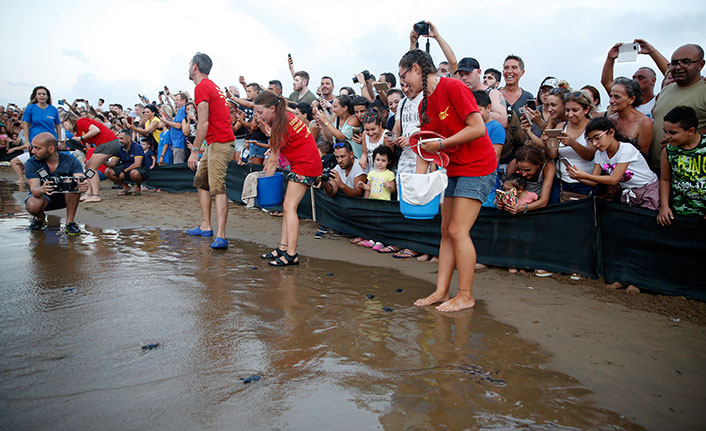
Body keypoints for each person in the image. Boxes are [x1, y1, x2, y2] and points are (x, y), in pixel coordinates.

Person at [399, 49, 497, 312]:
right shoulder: (423, 104)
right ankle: (441, 291)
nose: (402, 83)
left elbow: (477, 128)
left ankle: (465, 295)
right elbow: (423, 146)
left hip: (478, 165)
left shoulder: (453, 87)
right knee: (445, 231)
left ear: (417, 69)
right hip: (453, 168)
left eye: (404, 76)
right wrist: (419, 184)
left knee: (457, 231)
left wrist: (441, 143)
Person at [253, 91, 323, 266]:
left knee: (289, 206)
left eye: (260, 112)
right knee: (287, 206)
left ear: (271, 108)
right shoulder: (285, 116)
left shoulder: (280, 125)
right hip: (307, 162)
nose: (257, 116)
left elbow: (273, 160)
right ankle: (283, 248)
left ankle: (291, 254)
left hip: (305, 165)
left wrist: (266, 184)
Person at [185, 52, 236, 249]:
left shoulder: (202, 87)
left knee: (218, 187)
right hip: (215, 143)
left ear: (195, 67)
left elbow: (203, 123)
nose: (188, 67)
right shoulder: (211, 85)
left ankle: (221, 236)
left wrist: (194, 150)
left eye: (189, 64)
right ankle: (206, 226)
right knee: (201, 181)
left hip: (220, 143)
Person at [567, 117, 659, 210]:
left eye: (597, 138)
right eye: (591, 140)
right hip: (629, 193)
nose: (594, 143)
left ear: (611, 132)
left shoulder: (626, 149)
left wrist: (585, 175)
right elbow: (593, 181)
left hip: (647, 190)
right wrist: (578, 176)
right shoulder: (599, 154)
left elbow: (614, 179)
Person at [650, 44, 706, 171]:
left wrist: (684, 139)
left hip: (690, 174)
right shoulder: (666, 90)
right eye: (674, 63)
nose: (679, 67)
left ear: (701, 65)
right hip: (657, 170)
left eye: (686, 62)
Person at [24, 133, 88, 234]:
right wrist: (42, 189)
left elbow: (79, 176)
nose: (33, 151)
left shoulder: (70, 160)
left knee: (73, 183)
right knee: (33, 205)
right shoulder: (32, 163)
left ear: (51, 149)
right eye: (33, 147)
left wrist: (82, 183)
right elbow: (35, 190)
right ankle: (40, 218)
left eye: (37, 148)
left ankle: (70, 222)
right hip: (44, 197)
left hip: (66, 197)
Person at [657, 106, 706, 225]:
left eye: (672, 133)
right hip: (680, 213)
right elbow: (665, 179)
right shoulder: (668, 150)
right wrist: (664, 207)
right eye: (665, 131)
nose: (667, 137)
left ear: (690, 131)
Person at [546, 92, 597, 202]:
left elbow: (590, 155)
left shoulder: (593, 127)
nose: (570, 114)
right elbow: (553, 154)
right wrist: (547, 143)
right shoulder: (561, 126)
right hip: (561, 182)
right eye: (567, 110)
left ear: (586, 109)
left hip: (584, 182)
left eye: (575, 110)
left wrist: (572, 143)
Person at [600, 39, 669, 118]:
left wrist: (652, 51)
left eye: (641, 78)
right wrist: (610, 58)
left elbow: (671, 75)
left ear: (653, 81)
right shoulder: (626, 101)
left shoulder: (659, 101)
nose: (636, 80)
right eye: (634, 77)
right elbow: (607, 82)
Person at [61, 113, 121, 203]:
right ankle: (89, 193)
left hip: (108, 142)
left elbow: (95, 130)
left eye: (63, 123)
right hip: (106, 143)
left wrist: (81, 138)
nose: (63, 127)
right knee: (88, 167)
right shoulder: (78, 131)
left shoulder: (80, 122)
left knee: (91, 168)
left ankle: (96, 195)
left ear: (68, 120)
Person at [11, 86, 62, 183]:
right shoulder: (31, 108)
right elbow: (26, 124)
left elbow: (58, 125)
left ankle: (51, 181)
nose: (42, 96)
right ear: (35, 96)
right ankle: (39, 182)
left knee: (50, 161)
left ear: (47, 96)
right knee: (37, 162)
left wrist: (60, 140)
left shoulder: (53, 109)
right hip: (35, 141)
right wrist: (26, 141)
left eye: (44, 94)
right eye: (39, 94)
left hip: (50, 141)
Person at [455, 57, 508, 127]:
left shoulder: (492, 93)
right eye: (461, 75)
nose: (464, 78)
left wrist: (474, 111)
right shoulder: (461, 95)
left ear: (479, 72)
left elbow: (502, 120)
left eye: (467, 73)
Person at [606, 77, 653, 155]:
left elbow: (643, 155)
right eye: (611, 96)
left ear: (631, 99)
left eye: (617, 97)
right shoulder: (611, 120)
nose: (611, 101)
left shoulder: (644, 123)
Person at [105, 129, 149, 196]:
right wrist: (103, 161)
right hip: (125, 168)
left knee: (134, 173)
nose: (119, 140)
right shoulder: (119, 148)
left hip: (139, 170)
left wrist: (124, 171)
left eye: (121, 138)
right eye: (119, 138)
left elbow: (137, 164)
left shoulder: (137, 147)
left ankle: (138, 187)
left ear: (129, 138)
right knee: (108, 171)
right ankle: (125, 186)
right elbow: (112, 163)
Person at [159, 92, 189, 163]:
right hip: (177, 143)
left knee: (178, 168)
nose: (175, 102)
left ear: (183, 101)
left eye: (177, 100)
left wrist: (165, 121)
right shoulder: (180, 110)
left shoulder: (182, 109)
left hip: (179, 144)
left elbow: (178, 126)